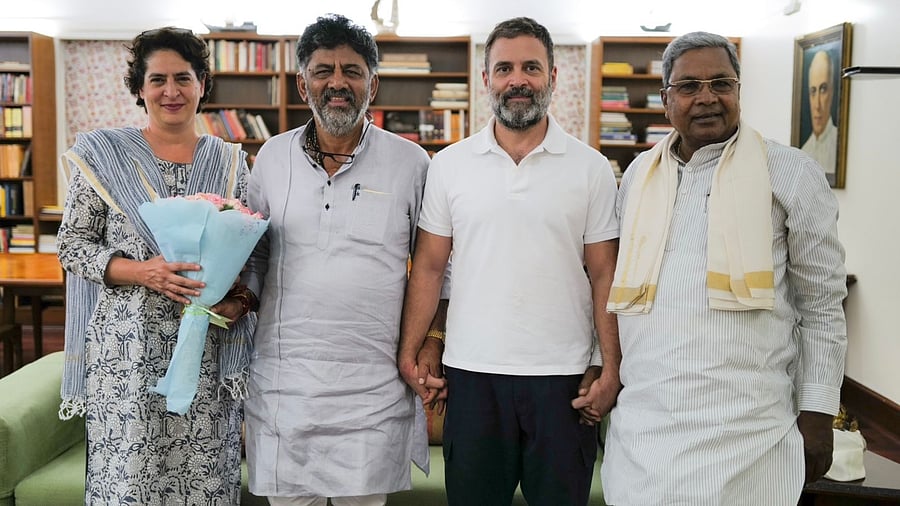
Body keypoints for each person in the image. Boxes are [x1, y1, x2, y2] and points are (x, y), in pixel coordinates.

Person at [602, 32, 848, 504]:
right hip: (645, 430)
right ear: (665, 99)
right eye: (689, 86)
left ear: (738, 90)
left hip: (749, 432)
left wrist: (817, 413)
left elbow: (822, 306)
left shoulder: (791, 172)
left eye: (721, 83)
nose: (707, 97)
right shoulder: (638, 176)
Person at [398, 16, 621, 506]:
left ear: (553, 77)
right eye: (504, 68)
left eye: (531, 68)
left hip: (563, 379)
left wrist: (609, 365)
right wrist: (412, 350)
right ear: (485, 80)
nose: (517, 79)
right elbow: (431, 267)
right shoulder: (449, 165)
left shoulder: (591, 168)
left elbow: (605, 272)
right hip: (472, 375)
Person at [240, 14, 446, 506]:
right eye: (323, 70)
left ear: (372, 83)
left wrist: (432, 339)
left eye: (352, 71)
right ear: (302, 81)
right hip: (286, 384)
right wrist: (239, 297)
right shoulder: (271, 157)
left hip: (371, 384)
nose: (337, 83)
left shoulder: (412, 163)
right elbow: (254, 252)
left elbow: (439, 265)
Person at [56, 26, 256, 504]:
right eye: (158, 80)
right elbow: (72, 245)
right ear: (139, 88)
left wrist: (238, 301)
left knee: (202, 482)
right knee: (130, 481)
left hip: (204, 352)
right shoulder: (102, 155)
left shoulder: (230, 161)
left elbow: (251, 253)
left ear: (202, 85)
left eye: (184, 78)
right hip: (127, 354)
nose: (171, 92)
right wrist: (142, 271)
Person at [801, 49, 838, 177]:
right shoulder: (803, 151)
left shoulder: (839, 145)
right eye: (813, 91)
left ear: (832, 91)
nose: (817, 105)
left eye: (823, 90)